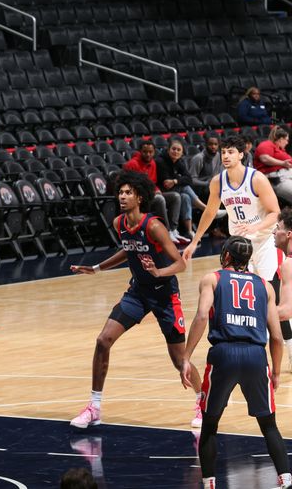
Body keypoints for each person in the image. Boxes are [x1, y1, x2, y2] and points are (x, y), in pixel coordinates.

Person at [69, 171, 202, 429]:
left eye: (128, 192)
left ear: (139, 197)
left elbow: (180, 263)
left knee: (179, 359)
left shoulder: (154, 226)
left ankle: (201, 401)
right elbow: (127, 249)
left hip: (165, 295)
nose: (122, 196)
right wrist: (96, 268)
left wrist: (158, 272)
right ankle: (94, 407)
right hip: (138, 292)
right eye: (121, 192)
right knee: (103, 340)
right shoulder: (119, 222)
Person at [181, 236, 292, 489]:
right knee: (269, 425)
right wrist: (275, 371)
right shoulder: (265, 286)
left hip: (224, 354)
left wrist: (186, 357)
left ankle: (209, 483)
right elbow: (276, 336)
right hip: (255, 356)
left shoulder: (213, 278)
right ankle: (286, 480)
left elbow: (200, 317)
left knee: (210, 424)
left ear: (227, 257)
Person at [183, 135, 282, 281]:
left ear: (241, 155)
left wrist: (255, 227)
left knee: (267, 289)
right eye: (223, 152)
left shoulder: (257, 179)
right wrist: (193, 242)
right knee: (242, 290)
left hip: (263, 240)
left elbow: (275, 213)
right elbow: (210, 212)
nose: (226, 156)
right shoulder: (217, 182)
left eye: (231, 152)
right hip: (239, 243)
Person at [123, 139, 183, 243]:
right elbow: (128, 186)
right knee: (159, 199)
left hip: (150, 194)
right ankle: (166, 232)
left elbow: (153, 183)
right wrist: (151, 192)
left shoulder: (153, 163)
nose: (148, 154)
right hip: (137, 197)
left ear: (154, 152)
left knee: (176, 196)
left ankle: (173, 230)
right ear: (140, 151)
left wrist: (157, 189)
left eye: (150, 152)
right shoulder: (131, 164)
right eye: (145, 152)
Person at [156, 138, 208, 241]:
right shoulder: (160, 161)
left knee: (185, 196)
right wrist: (178, 180)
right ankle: (205, 209)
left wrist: (175, 181)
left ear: (182, 152)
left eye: (178, 150)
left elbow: (189, 179)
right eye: (173, 149)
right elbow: (166, 183)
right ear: (168, 150)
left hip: (174, 190)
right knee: (185, 188)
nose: (176, 151)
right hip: (160, 191)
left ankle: (187, 231)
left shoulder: (179, 161)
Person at [270, 208, 292, 367]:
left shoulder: (288, 265)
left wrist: (249, 312)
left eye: (277, 228)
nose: (273, 232)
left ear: (289, 234)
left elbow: (285, 312)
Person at [254, 125, 292, 205]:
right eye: (286, 140)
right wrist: (282, 163)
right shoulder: (267, 144)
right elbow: (264, 158)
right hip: (277, 179)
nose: (287, 143)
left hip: (287, 176)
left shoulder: (280, 149)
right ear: (281, 139)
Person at [189, 133, 223, 200]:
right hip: (199, 188)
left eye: (215, 144)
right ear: (205, 145)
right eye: (210, 144)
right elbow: (191, 180)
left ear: (218, 145)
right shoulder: (198, 158)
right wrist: (206, 183)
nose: (213, 146)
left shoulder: (218, 155)